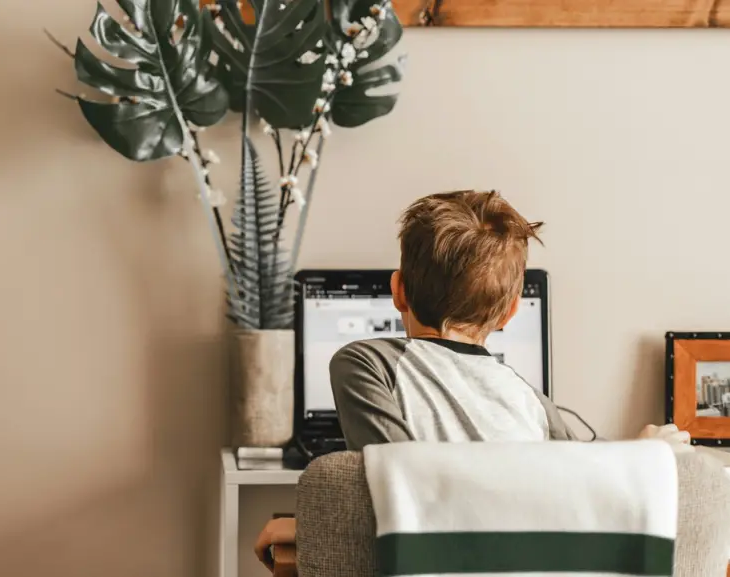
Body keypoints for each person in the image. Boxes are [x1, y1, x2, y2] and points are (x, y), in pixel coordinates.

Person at [253, 190, 690, 571]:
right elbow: (575, 492)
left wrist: (307, 524)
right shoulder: (532, 400)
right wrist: (644, 453)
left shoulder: (366, 362)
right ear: (510, 311)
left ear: (398, 289)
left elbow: (395, 482)